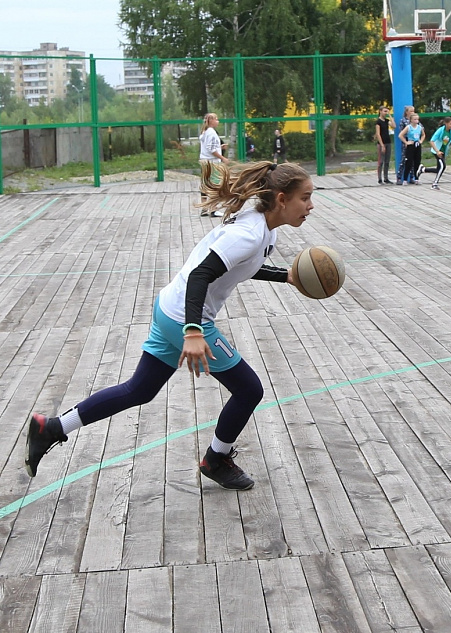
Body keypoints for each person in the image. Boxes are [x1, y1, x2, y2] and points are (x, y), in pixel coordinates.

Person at [24, 161, 317, 491]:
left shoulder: (265, 229)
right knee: (249, 389)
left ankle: (51, 427)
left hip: (169, 308)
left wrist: (285, 275)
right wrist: (193, 331)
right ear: (281, 199)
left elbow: (239, 267)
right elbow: (200, 275)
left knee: (139, 390)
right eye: (305, 197)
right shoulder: (248, 234)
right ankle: (215, 460)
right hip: (184, 317)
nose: (310, 205)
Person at [199, 112, 229, 216]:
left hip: (204, 161)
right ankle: (213, 208)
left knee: (205, 184)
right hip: (212, 162)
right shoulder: (211, 133)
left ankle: (204, 207)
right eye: (216, 119)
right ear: (211, 121)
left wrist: (220, 148)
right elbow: (211, 149)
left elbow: (208, 147)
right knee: (215, 185)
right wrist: (222, 158)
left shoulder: (205, 132)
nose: (218, 121)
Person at [420, 117, 451, 191]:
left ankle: (423, 169)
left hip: (444, 152)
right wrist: (437, 151)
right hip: (437, 151)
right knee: (443, 166)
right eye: (450, 124)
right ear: (446, 123)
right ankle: (434, 184)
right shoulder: (440, 130)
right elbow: (431, 141)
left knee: (439, 169)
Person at [398, 113, 425, 185]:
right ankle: (405, 179)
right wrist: (406, 142)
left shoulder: (419, 127)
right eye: (415, 119)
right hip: (411, 145)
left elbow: (423, 135)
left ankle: (416, 178)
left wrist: (421, 141)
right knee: (409, 162)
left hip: (417, 145)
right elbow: (400, 135)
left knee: (417, 161)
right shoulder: (408, 127)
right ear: (411, 120)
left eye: (417, 119)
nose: (416, 121)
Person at [374, 106, 396, 184]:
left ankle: (386, 178)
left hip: (388, 142)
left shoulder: (386, 121)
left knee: (387, 161)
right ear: (380, 111)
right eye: (384, 111)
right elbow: (378, 134)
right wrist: (382, 144)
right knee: (381, 161)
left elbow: (394, 126)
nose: (386, 113)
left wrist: (390, 116)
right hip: (382, 143)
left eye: (387, 111)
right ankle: (380, 178)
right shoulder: (378, 122)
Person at [395, 105, 415, 184]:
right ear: (407, 112)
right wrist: (405, 142)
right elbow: (402, 132)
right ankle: (399, 177)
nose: (412, 113)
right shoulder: (403, 121)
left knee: (412, 160)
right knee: (404, 159)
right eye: (411, 111)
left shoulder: (414, 120)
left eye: (413, 111)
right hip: (406, 141)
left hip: (414, 140)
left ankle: (412, 177)